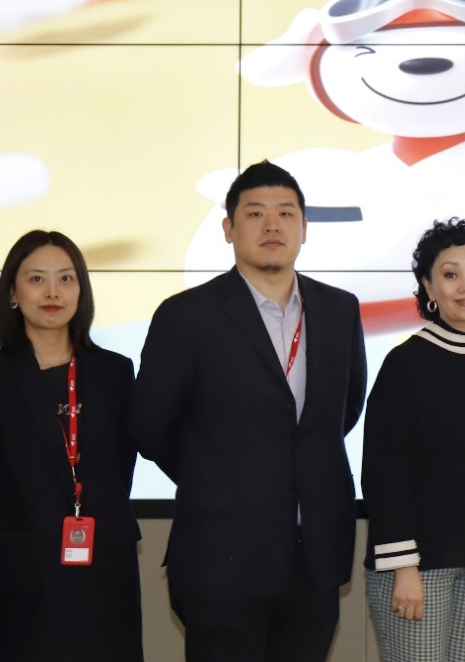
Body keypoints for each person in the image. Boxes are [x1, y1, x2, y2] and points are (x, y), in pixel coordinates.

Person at [129, 161, 367, 662]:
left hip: (314, 553)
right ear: (228, 228)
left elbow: (344, 410)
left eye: (286, 213)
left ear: (305, 228)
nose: (272, 225)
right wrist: (213, 473)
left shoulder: (339, 309)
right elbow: (149, 426)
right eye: (255, 213)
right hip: (221, 553)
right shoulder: (187, 315)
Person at [0, 230, 142, 660]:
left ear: (81, 291)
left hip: (104, 584)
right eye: (36, 279)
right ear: (12, 293)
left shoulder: (115, 373)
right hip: (18, 588)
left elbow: (120, 473)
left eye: (66, 279)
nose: (53, 292)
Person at [362, 218, 465, 662]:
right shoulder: (406, 364)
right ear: (429, 287)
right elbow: (384, 472)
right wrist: (404, 567)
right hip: (417, 567)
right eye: (450, 274)